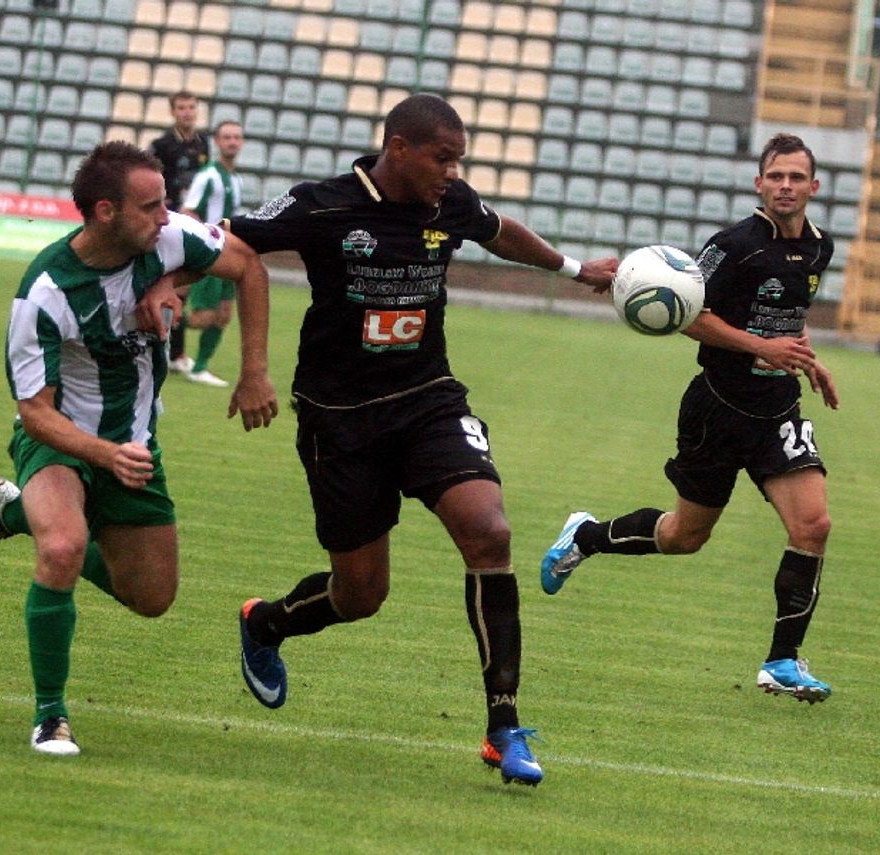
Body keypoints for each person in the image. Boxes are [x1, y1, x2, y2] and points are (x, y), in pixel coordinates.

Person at [215, 94, 616, 786]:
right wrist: (245, 360)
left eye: (458, 158)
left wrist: (575, 269)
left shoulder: (449, 201)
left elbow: (501, 232)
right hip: (339, 417)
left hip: (427, 400)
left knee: (488, 531)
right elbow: (230, 239)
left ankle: (503, 726)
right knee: (361, 593)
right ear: (397, 147)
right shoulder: (324, 205)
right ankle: (266, 623)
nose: (453, 171)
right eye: (443, 156)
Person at [0, 141, 278, 756]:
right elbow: (35, 413)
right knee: (64, 547)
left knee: (152, 598)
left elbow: (248, 264)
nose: (166, 216)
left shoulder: (163, 239)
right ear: (105, 211)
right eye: (151, 205)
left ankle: (10, 511)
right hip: (61, 443)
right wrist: (100, 456)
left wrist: (254, 372)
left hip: (134, 444)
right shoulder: (45, 293)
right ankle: (49, 716)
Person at [541, 133, 840, 704]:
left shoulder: (820, 249)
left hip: (778, 408)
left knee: (814, 526)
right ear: (759, 183)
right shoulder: (733, 245)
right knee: (684, 537)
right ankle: (585, 535)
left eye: (796, 177)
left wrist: (808, 360)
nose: (785, 186)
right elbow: (689, 315)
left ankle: (781, 661)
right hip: (717, 410)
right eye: (775, 176)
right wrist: (760, 345)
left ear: (814, 187)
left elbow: (787, 319)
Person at [178, 120, 246, 387]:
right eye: (227, 137)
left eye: (236, 137)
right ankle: (154, 323)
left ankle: (200, 367)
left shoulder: (235, 178)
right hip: (210, 254)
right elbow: (188, 210)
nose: (232, 142)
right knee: (203, 317)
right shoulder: (208, 175)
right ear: (217, 142)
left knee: (224, 314)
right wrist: (198, 245)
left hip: (230, 253)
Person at [148, 90, 210, 375]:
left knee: (181, 288)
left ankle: (173, 351)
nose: (187, 112)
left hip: (195, 223)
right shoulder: (161, 145)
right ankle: (169, 349)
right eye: (182, 108)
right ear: (173, 112)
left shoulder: (202, 143)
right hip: (167, 221)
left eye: (191, 107)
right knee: (167, 284)